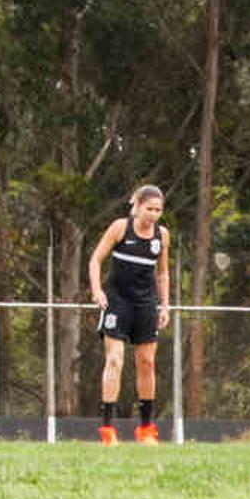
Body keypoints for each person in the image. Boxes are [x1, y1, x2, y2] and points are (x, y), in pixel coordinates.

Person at [87, 185, 172, 446]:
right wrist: (97, 291)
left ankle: (146, 429)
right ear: (137, 205)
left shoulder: (162, 236)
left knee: (147, 362)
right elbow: (95, 260)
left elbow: (162, 273)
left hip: (145, 304)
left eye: (158, 210)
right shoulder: (120, 228)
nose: (154, 215)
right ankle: (107, 430)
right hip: (117, 302)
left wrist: (165, 305)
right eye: (149, 209)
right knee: (115, 360)